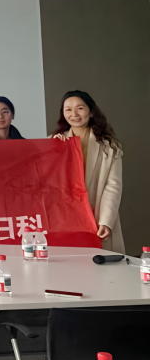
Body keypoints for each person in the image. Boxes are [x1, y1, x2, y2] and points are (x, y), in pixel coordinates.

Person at [52, 90, 123, 253]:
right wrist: (53, 151)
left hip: (96, 215)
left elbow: (113, 186)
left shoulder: (109, 146)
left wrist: (105, 221)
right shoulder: (53, 142)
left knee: (100, 262)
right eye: (68, 109)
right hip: (64, 218)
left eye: (80, 108)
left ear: (91, 112)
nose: (74, 114)